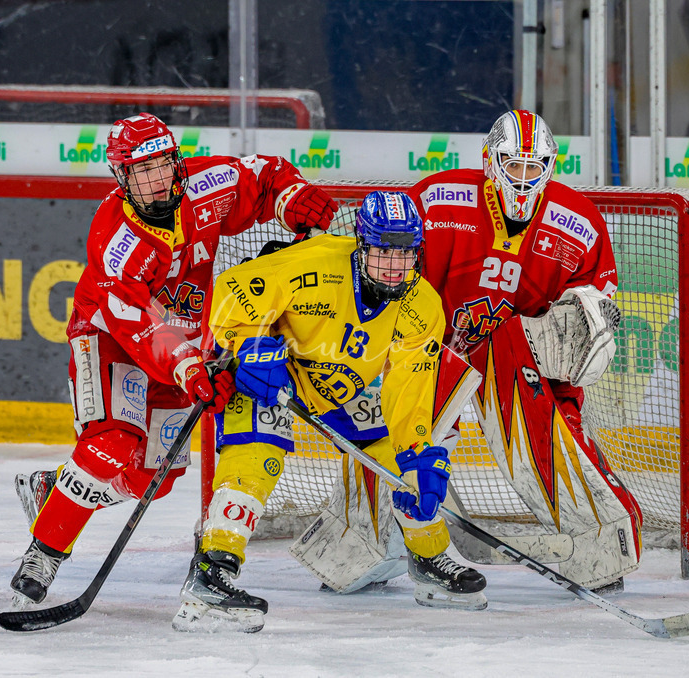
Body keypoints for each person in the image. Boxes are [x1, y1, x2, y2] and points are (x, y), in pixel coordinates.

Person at [8, 112, 339, 605]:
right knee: (112, 444)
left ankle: (54, 488)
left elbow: (265, 175)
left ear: (177, 163)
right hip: (112, 340)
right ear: (122, 178)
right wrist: (191, 366)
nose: (157, 179)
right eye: (142, 171)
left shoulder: (206, 187)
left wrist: (293, 199)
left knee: (150, 481)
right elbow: (139, 322)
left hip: (183, 346)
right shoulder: (116, 239)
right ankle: (45, 553)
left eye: (163, 165)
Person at [173, 191, 487, 633]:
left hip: (339, 389)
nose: (395, 267)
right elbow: (233, 290)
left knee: (410, 461)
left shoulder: (422, 306)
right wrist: (243, 347)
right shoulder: (313, 264)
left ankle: (430, 559)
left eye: (405, 254)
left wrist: (418, 447)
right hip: (273, 373)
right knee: (259, 452)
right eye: (382, 252)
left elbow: (407, 393)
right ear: (361, 244)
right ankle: (212, 571)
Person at [404, 109, 643, 592]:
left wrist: (585, 324)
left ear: (550, 167)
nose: (523, 179)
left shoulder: (578, 222)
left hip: (522, 354)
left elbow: (593, 312)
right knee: (392, 433)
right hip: (433, 349)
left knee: (554, 435)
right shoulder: (437, 199)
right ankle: (376, 542)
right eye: (513, 166)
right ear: (490, 161)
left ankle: (599, 537)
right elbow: (384, 264)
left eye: (534, 169)